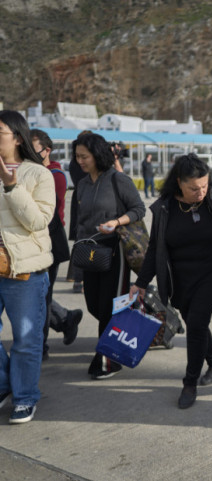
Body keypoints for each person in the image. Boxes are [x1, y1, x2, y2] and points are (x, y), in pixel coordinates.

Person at [130, 153, 212, 409]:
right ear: (179, 183)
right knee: (194, 322)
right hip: (178, 280)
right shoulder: (164, 208)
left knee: (197, 323)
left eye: (204, 186)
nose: (200, 192)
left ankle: (190, 382)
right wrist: (141, 283)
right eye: (193, 188)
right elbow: (155, 248)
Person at [74, 133, 145, 380]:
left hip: (116, 251)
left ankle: (108, 360)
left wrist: (116, 222)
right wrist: (77, 265)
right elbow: (79, 223)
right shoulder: (82, 185)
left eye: (85, 156)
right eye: (77, 156)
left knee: (110, 305)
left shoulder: (118, 180)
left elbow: (139, 209)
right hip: (90, 252)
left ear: (97, 155)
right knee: (95, 304)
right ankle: (135, 316)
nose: (80, 161)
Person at [0, 110, 55, 424]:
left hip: (23, 270)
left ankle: (23, 397)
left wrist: (11, 186)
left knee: (25, 338)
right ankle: (5, 384)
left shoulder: (38, 174)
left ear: (17, 137)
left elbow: (37, 221)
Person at [30, 129, 82, 354]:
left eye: (32, 150)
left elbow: (44, 210)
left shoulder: (55, 175)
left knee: (41, 296)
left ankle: (40, 345)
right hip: (31, 241)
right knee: (34, 295)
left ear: (46, 150)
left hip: (49, 240)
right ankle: (65, 319)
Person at [66, 130, 92, 293]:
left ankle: (73, 275)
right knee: (82, 238)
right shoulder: (79, 162)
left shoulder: (74, 161)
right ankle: (78, 277)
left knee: (80, 238)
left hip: (79, 198)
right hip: (83, 199)